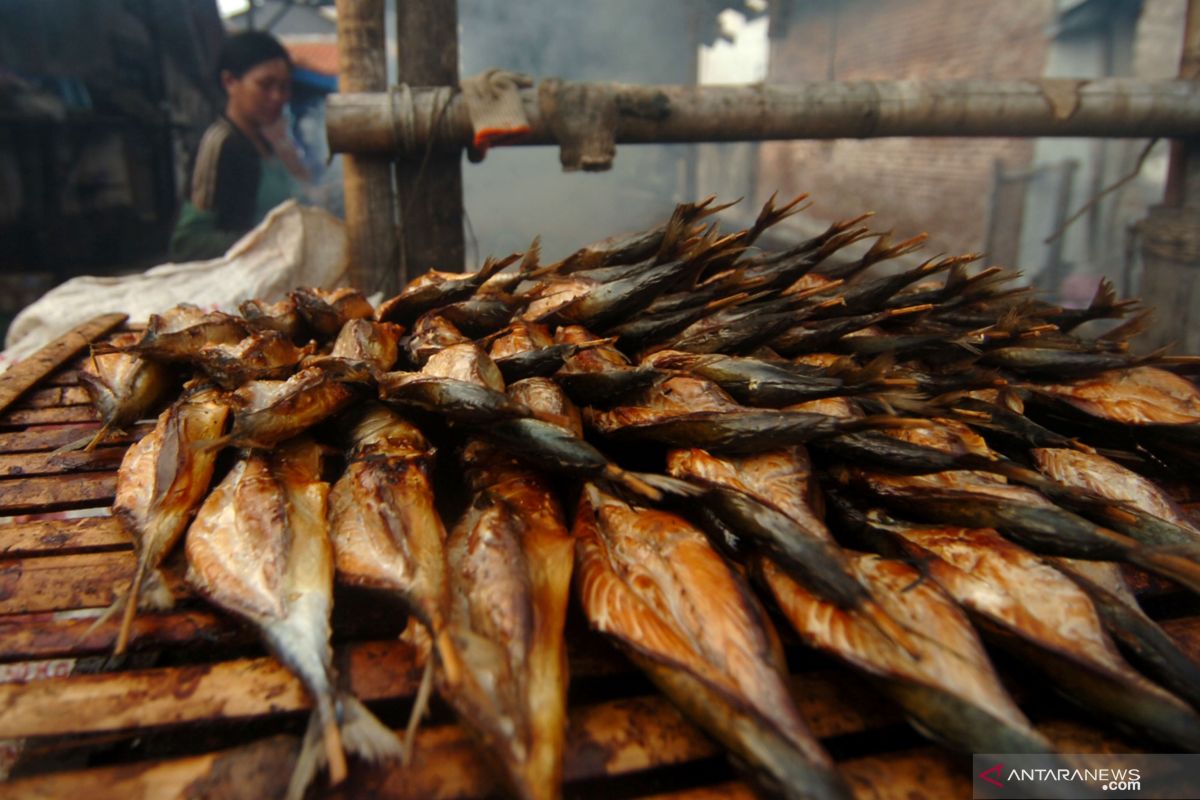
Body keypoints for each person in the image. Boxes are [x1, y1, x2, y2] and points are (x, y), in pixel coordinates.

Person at [170, 31, 310, 262]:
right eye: (265, 85)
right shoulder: (220, 144)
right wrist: (268, 241)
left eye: (284, 87)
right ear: (230, 82)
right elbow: (187, 242)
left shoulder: (265, 143)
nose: (277, 97)